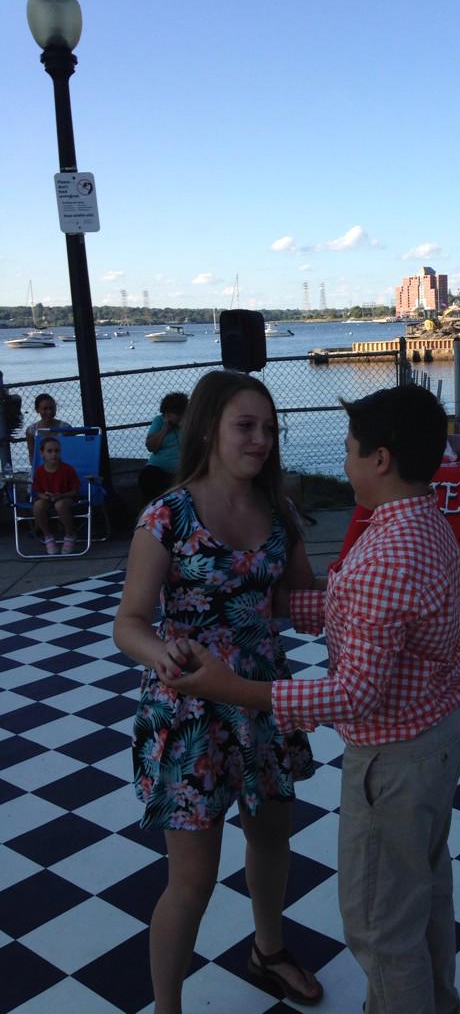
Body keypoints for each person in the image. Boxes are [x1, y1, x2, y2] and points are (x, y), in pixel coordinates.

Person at [156, 383, 460, 1014]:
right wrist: (259, 599)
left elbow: (355, 693)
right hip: (442, 730)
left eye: (350, 450)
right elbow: (360, 609)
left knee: (380, 924)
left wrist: (233, 688)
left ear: (379, 460)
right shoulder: (421, 523)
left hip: (396, 758)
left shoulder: (385, 554)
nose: (344, 462)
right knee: (425, 893)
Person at [113, 370, 323, 1012]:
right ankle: (168, 1006)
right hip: (190, 713)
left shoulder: (279, 511)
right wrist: (162, 654)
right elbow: (129, 622)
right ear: (208, 429)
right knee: (193, 879)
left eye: (269, 428)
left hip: (261, 702)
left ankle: (268, 950)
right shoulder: (167, 516)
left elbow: (302, 602)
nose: (261, 439)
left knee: (272, 836)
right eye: (245, 426)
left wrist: (366, 587)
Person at [32, 435, 80, 554]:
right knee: (38, 506)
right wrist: (45, 496)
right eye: (49, 451)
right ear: (42, 453)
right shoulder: (39, 471)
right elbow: (38, 492)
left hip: (66, 497)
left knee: (60, 505)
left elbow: (75, 491)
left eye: (57, 451)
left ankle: (70, 534)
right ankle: (48, 536)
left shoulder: (67, 469)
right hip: (48, 499)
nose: (54, 454)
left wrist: (61, 495)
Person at [137, 392, 188, 503]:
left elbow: (197, 445)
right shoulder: (159, 421)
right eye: (165, 414)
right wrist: (164, 430)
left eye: (170, 414)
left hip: (182, 470)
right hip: (159, 468)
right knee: (148, 476)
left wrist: (185, 428)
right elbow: (150, 447)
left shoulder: (189, 423)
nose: (166, 417)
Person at [26, 393, 72, 462]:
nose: (49, 412)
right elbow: (32, 456)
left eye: (51, 408)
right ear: (37, 410)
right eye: (45, 409)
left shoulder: (65, 428)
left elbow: (71, 452)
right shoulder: (31, 430)